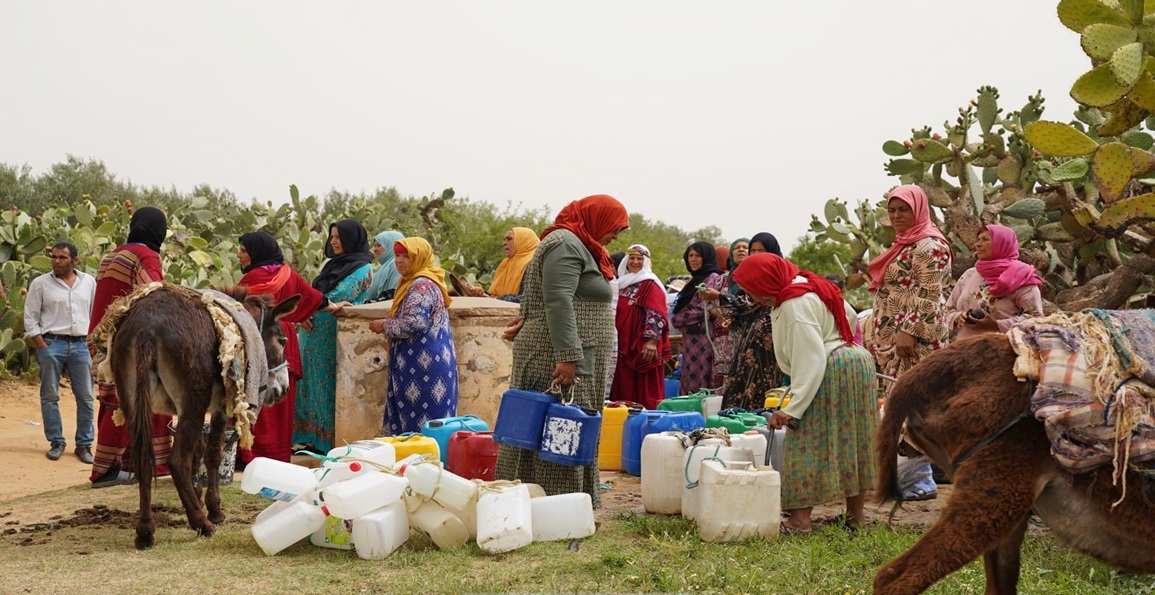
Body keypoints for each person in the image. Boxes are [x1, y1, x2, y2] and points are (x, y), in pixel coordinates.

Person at [495, 194, 629, 507]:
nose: (616, 236)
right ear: (597, 217)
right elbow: (557, 300)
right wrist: (568, 356)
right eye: (615, 228)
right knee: (557, 425)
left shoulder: (582, 245)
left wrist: (528, 317)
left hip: (577, 350)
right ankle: (552, 504)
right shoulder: (565, 243)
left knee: (572, 424)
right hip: (560, 354)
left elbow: (548, 297)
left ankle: (572, 502)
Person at [732, 252, 876, 534]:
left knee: (806, 443)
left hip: (831, 368)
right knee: (852, 440)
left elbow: (811, 360)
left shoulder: (794, 305)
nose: (754, 299)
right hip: (856, 362)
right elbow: (848, 317)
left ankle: (799, 521)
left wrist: (791, 409)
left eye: (754, 292)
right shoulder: (810, 284)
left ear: (767, 282)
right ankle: (856, 517)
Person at [866, 185, 953, 501]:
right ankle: (908, 478)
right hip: (897, 341)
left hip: (914, 341)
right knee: (899, 407)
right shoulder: (904, 245)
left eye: (903, 209)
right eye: (892, 210)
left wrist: (910, 331)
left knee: (916, 407)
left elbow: (930, 292)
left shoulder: (930, 247)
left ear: (918, 209)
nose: (896, 215)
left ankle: (922, 480)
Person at [235, 231, 346, 464]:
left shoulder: (252, 279)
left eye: (244, 251)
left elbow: (234, 308)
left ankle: (251, 452)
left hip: (262, 340)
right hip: (286, 339)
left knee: (255, 394)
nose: (239, 255)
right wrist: (335, 307)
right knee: (280, 400)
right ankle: (276, 453)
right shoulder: (288, 274)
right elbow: (313, 298)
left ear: (256, 252)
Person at [88, 206, 173, 488]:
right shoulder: (146, 256)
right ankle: (141, 464)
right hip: (130, 341)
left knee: (113, 401)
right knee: (148, 399)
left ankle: (113, 465)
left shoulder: (111, 255)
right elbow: (153, 295)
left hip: (102, 338)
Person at [293, 219, 374, 454]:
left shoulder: (363, 268)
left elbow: (340, 295)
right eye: (332, 236)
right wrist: (303, 312)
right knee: (308, 383)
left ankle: (326, 441)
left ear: (352, 239)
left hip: (333, 335)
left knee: (327, 384)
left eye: (339, 237)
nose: (334, 241)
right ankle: (307, 437)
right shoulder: (333, 265)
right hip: (312, 334)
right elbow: (317, 296)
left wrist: (310, 306)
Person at [368, 237, 458, 435]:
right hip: (422, 362)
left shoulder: (421, 285)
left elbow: (415, 323)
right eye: (397, 256)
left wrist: (384, 325)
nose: (399, 261)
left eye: (406, 256)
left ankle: (419, 462)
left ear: (419, 258)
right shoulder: (418, 282)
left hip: (423, 365)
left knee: (420, 423)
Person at [24, 242, 96, 463]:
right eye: (54, 257)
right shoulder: (40, 283)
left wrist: (93, 343)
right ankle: (57, 442)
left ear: (74, 260)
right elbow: (30, 314)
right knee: (50, 396)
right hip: (51, 343)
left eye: (62, 257)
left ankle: (84, 445)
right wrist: (40, 343)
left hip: (81, 345)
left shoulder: (89, 282)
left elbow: (96, 311)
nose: (56, 261)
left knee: (86, 397)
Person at [714, 233, 786, 410]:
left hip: (768, 337)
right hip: (749, 338)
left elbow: (751, 302)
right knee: (741, 380)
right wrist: (734, 319)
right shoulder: (751, 275)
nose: (756, 254)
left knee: (763, 381)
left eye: (761, 250)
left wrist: (718, 296)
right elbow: (746, 305)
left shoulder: (776, 273)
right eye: (753, 250)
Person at [944, 224, 1043, 340]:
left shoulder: (1022, 277)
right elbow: (947, 309)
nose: (978, 244)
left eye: (985, 239)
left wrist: (997, 325)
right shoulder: (970, 274)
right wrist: (958, 317)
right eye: (978, 240)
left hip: (1002, 351)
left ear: (1002, 244)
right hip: (963, 351)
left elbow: (1036, 319)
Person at [609, 244, 672, 410]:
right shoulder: (621, 284)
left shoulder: (651, 284)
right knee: (623, 392)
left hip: (642, 348)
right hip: (622, 347)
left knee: (644, 392)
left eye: (639, 258)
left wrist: (651, 341)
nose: (635, 262)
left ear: (646, 262)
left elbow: (657, 313)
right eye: (632, 258)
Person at [670, 241, 725, 394]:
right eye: (690, 255)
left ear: (706, 257)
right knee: (689, 379)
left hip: (704, 341)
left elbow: (704, 308)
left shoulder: (712, 278)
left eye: (698, 256)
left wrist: (677, 319)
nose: (693, 259)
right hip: (690, 342)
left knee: (702, 381)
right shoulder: (694, 280)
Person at [466, 227, 540, 302]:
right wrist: (482, 293)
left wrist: (495, 299)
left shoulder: (534, 265)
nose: (504, 243)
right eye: (504, 240)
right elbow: (496, 295)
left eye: (509, 239)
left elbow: (528, 298)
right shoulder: (506, 264)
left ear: (524, 241)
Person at [365, 230, 405, 302]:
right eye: (374, 246)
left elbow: (393, 295)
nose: (375, 249)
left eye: (379, 245)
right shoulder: (383, 267)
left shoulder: (397, 265)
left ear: (391, 246)